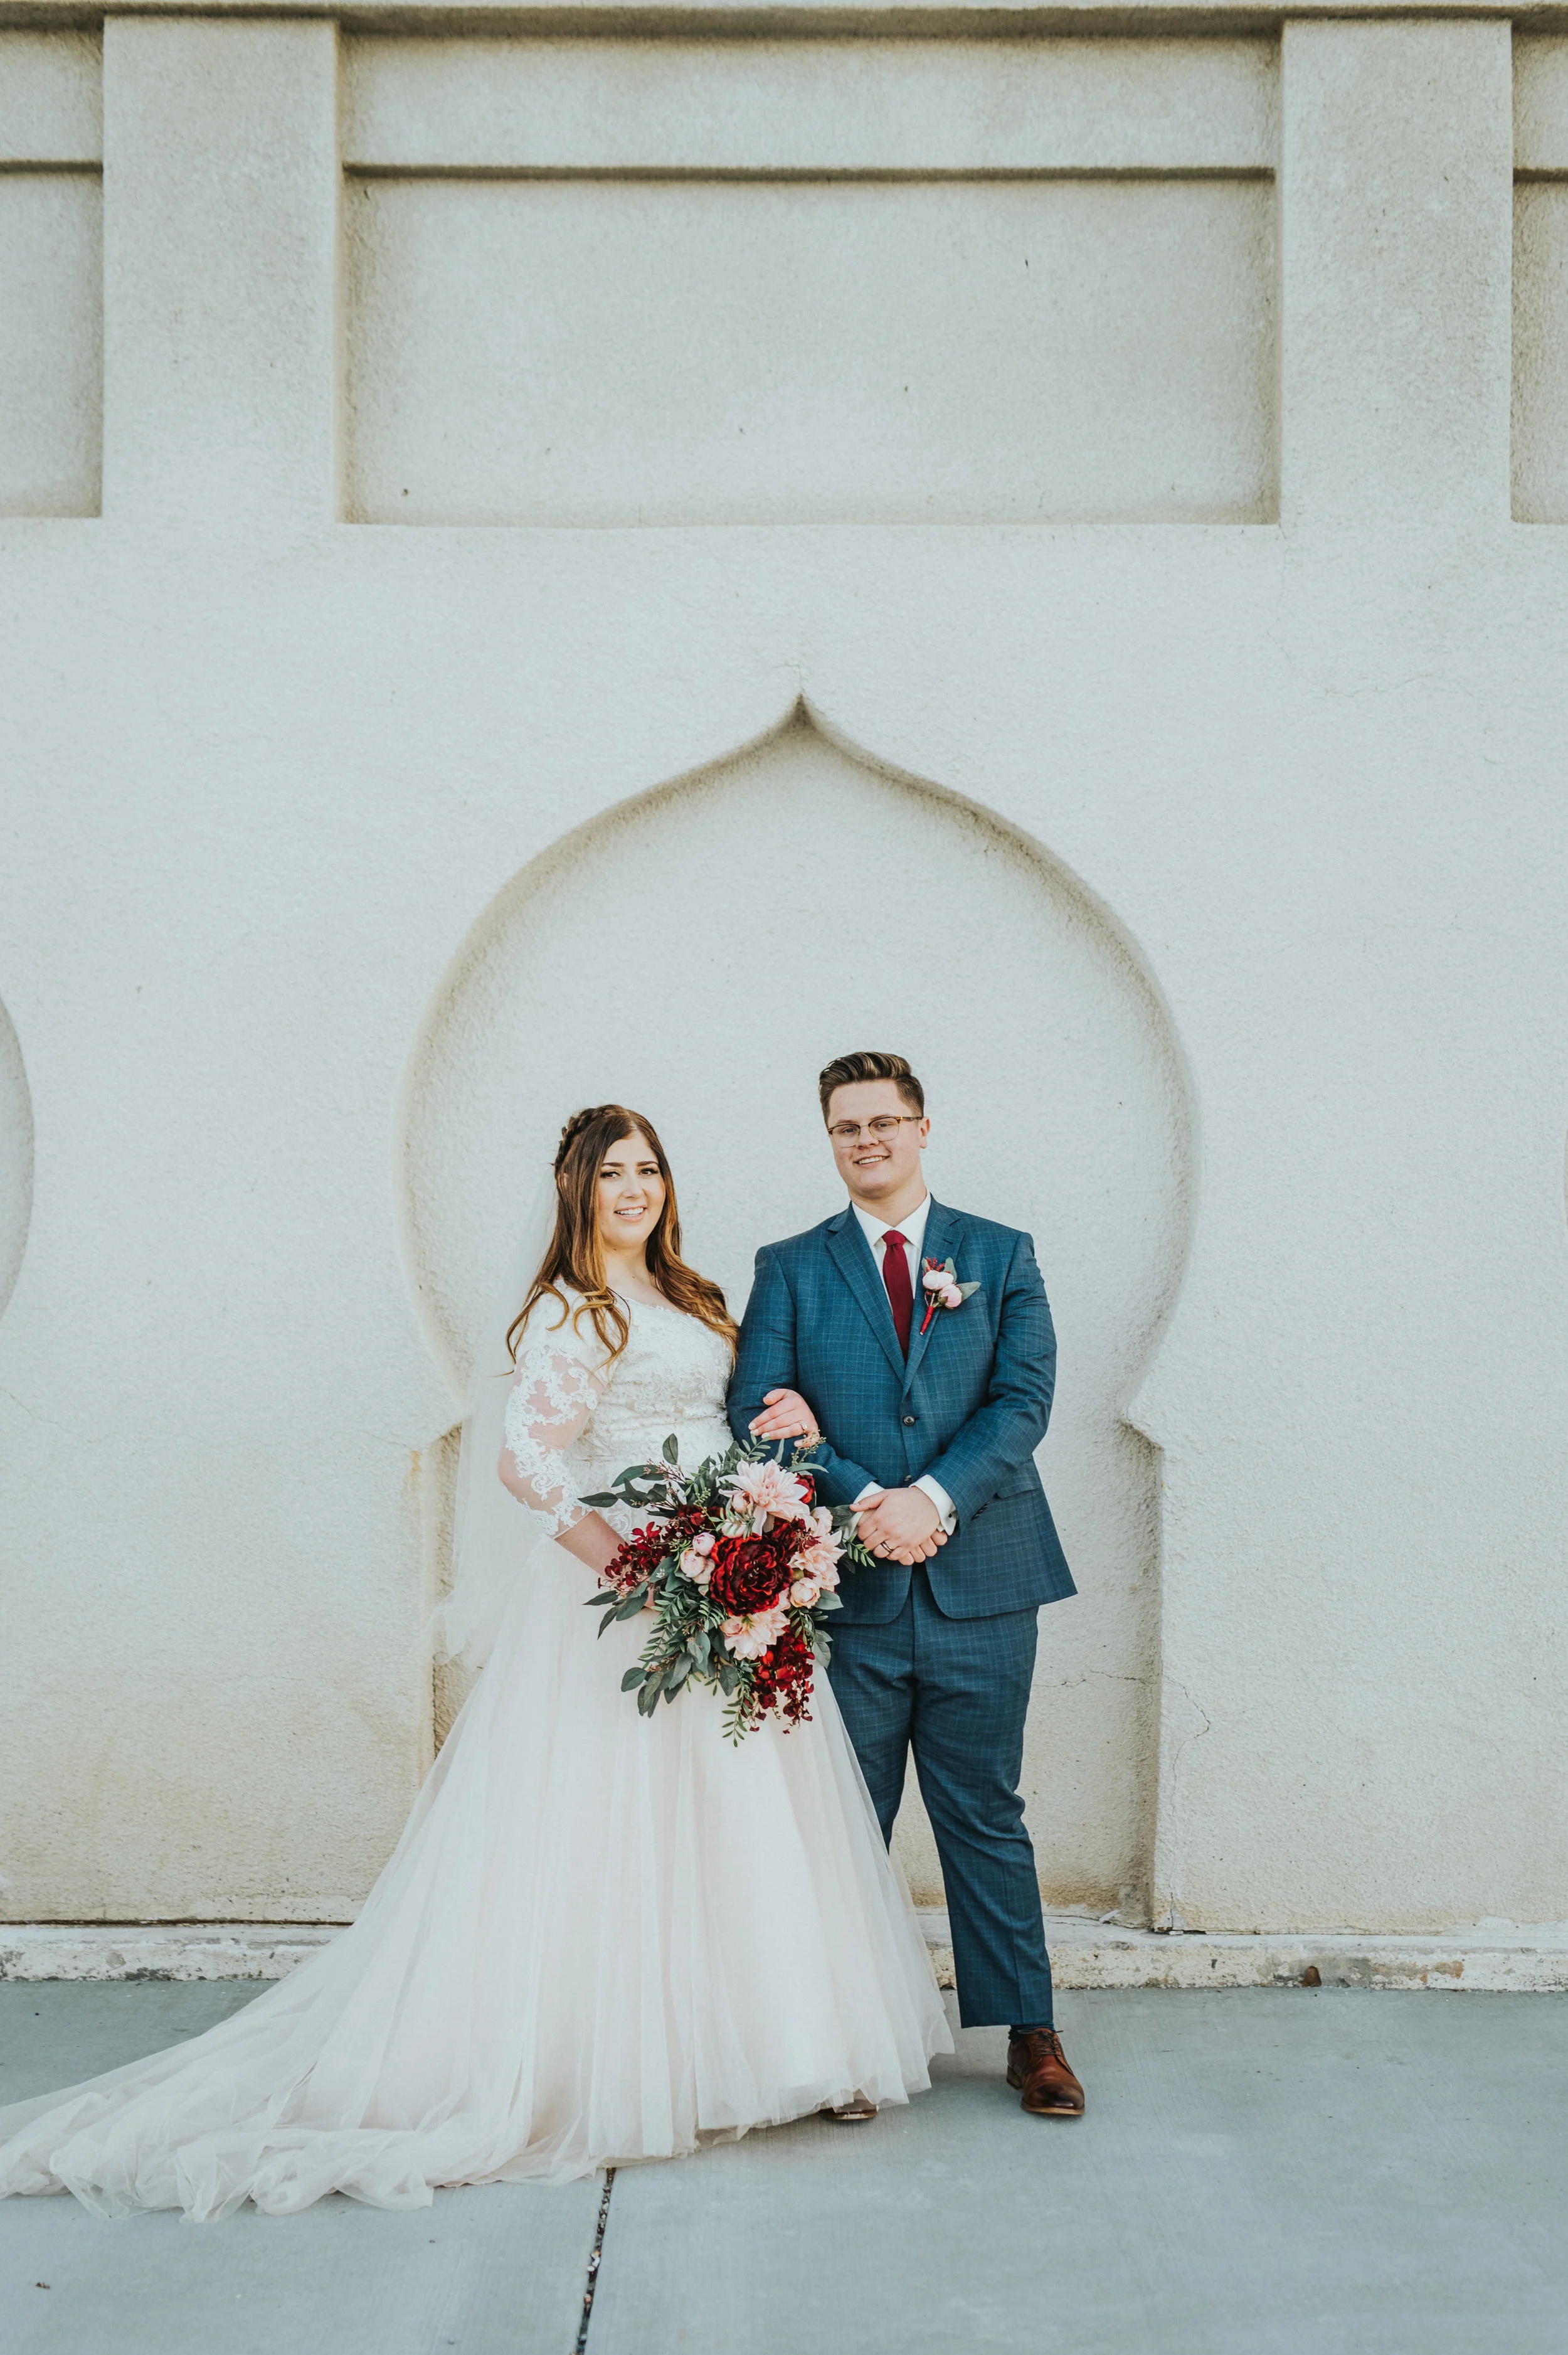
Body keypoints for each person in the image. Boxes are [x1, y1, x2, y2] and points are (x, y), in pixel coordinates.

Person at [0, 1106, 948, 2218]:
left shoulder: (690, 1295)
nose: (634, 1188)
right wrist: (639, 1565)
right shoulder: (571, 1309)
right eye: (612, 1172)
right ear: (576, 1188)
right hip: (637, 1594)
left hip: (730, 1578)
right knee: (618, 1825)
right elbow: (526, 1462)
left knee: (740, 1815)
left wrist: (775, 1451)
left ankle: (776, 2048)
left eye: (648, 1169)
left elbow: (723, 1417)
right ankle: (615, 2059)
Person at [729, 1052, 1084, 2119]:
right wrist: (867, 1496)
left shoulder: (1000, 1253)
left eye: (884, 1120)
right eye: (847, 1126)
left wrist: (932, 1498)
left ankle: (1029, 2032)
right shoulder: (791, 1265)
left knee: (985, 1808)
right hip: (849, 1591)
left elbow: (1023, 1401)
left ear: (923, 1128)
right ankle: (838, 2042)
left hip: (987, 1579)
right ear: (830, 1140)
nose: (867, 1139)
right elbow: (757, 1410)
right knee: (846, 1818)